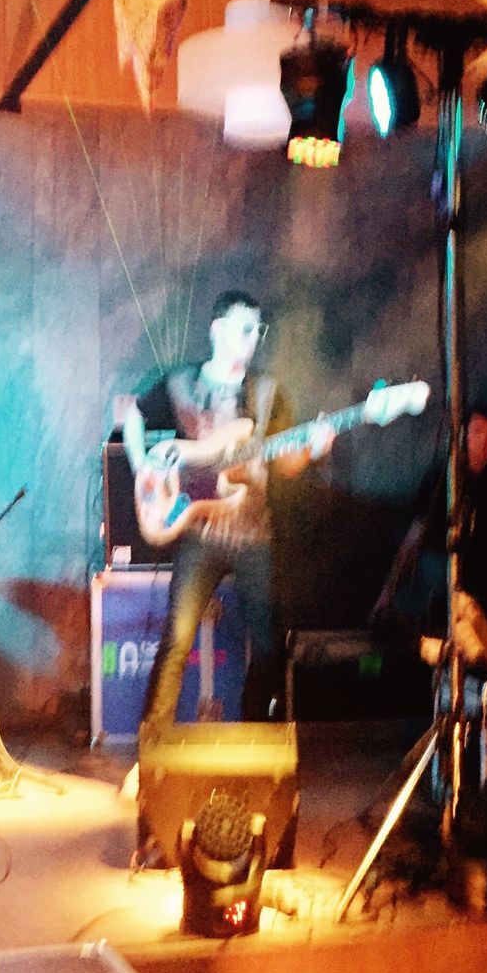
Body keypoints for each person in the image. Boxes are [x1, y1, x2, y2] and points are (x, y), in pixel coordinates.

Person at [122, 291, 333, 731]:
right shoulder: (180, 384)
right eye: (244, 329)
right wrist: (143, 464)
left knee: (269, 645)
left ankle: (252, 742)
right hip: (198, 531)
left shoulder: (267, 393)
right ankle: (152, 753)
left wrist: (313, 448)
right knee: (176, 641)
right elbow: (131, 415)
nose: (253, 338)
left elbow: (287, 464)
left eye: (258, 330)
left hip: (253, 534)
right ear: (217, 329)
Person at [373, 404, 487, 682]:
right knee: (458, 670)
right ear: (463, 433)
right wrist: (389, 590)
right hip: (456, 597)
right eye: (478, 431)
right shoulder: (440, 480)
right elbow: (413, 540)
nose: (485, 441)